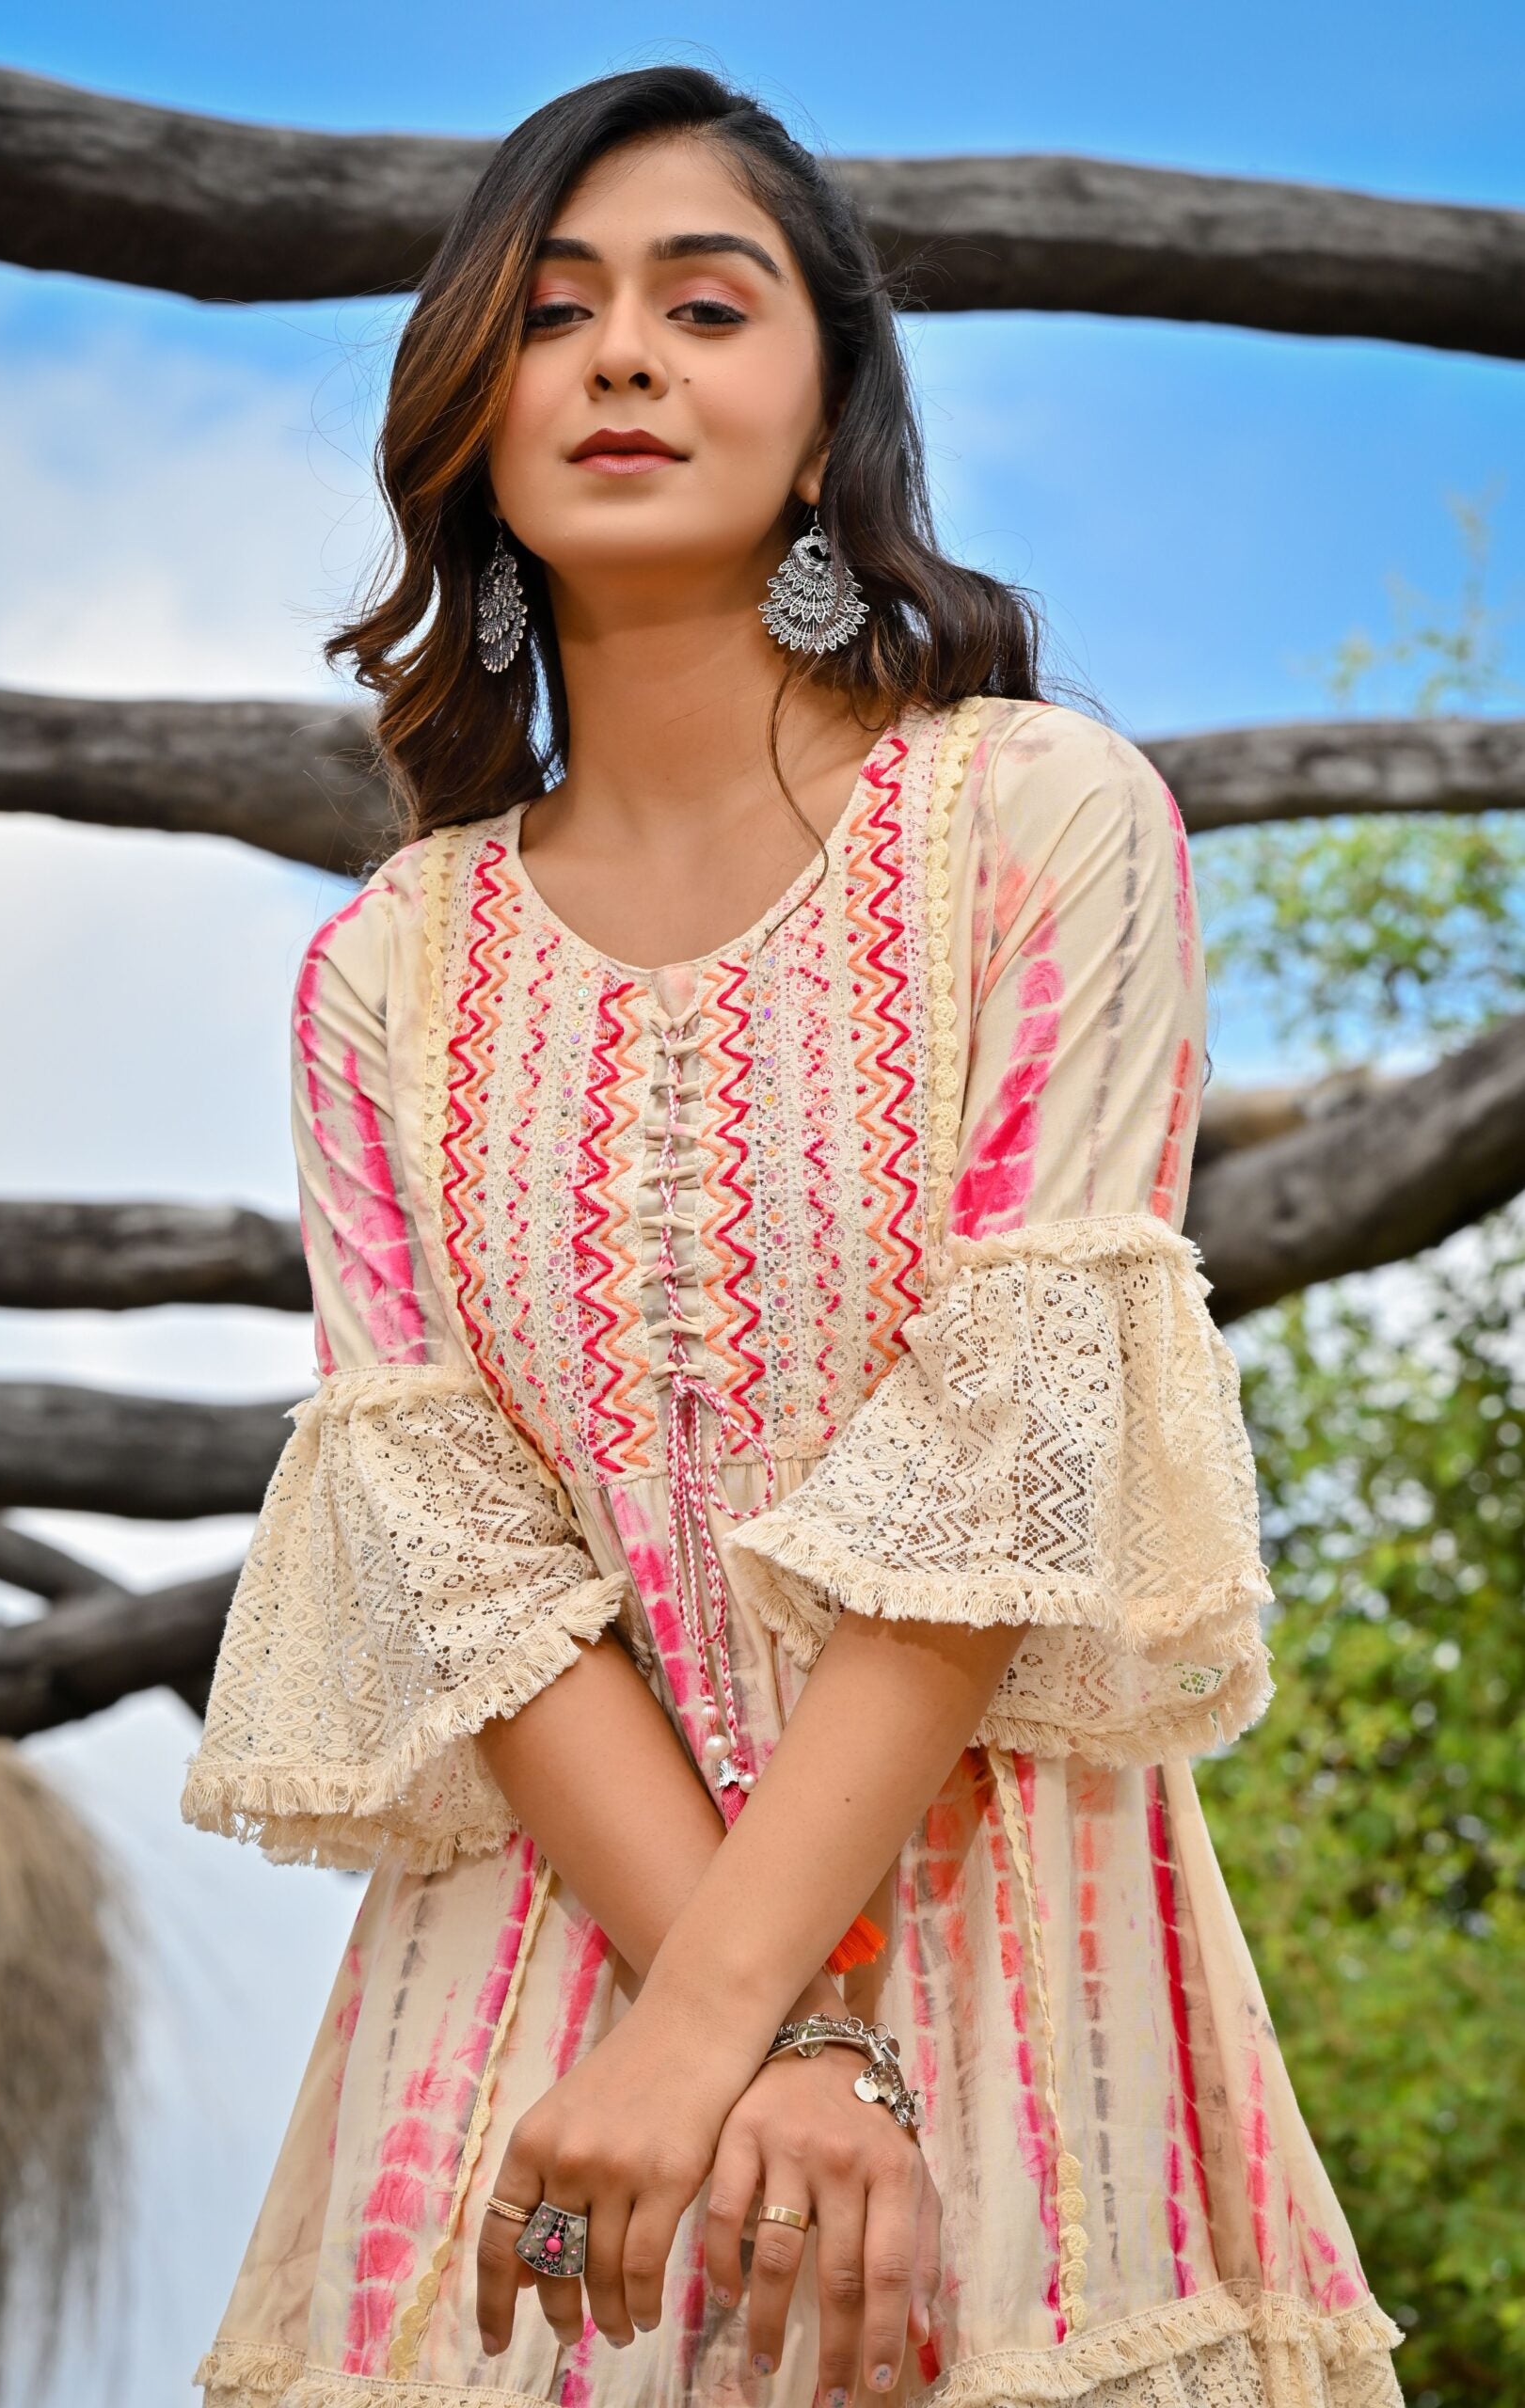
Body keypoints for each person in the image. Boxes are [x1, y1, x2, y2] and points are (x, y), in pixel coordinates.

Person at [180, 66, 1406, 2408]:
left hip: (1026, 1989)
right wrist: (760, 2042)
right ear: (470, 406)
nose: (625, 355)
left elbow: (1001, 1481)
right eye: (552, 313)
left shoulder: (1042, 824)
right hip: (534, 2025)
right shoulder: (383, 977)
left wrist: (742, 2031)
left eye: (704, 303)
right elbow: (467, 1571)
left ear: (831, 407)